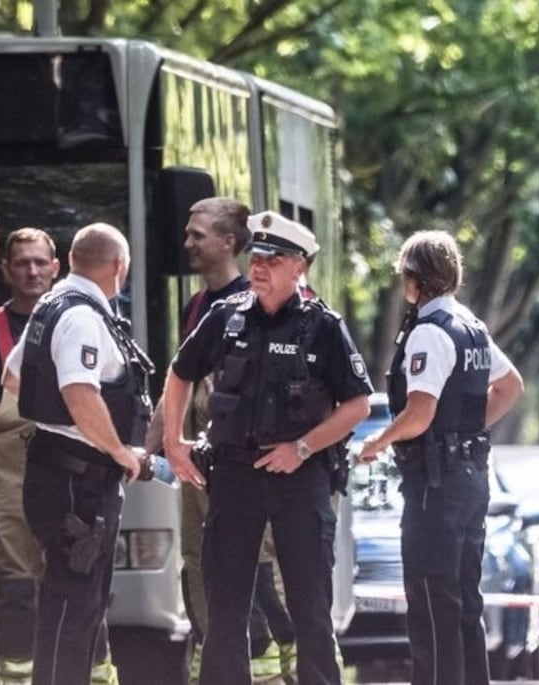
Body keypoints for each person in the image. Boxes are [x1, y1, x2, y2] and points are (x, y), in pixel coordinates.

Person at [161, 210, 372, 685]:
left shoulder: (322, 326)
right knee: (226, 608)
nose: (258, 267)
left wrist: (302, 447)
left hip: (299, 477)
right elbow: (179, 373)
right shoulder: (226, 316)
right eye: (255, 257)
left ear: (299, 267)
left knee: (309, 606)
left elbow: (357, 404)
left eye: (272, 259)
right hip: (234, 475)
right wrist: (174, 444)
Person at [358, 230, 524, 685]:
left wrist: (377, 442)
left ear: (414, 280)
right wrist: (468, 432)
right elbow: (511, 387)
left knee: (432, 605)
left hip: (436, 485)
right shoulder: (470, 325)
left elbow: (419, 414)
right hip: (471, 478)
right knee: (465, 603)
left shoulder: (429, 334)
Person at [3, 223, 153, 685]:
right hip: (78, 481)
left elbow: (12, 378)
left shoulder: (52, 306)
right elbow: (79, 392)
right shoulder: (83, 317)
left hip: (60, 470)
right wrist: (118, 450)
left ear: (67, 260)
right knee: (73, 608)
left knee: (75, 604)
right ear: (118, 268)